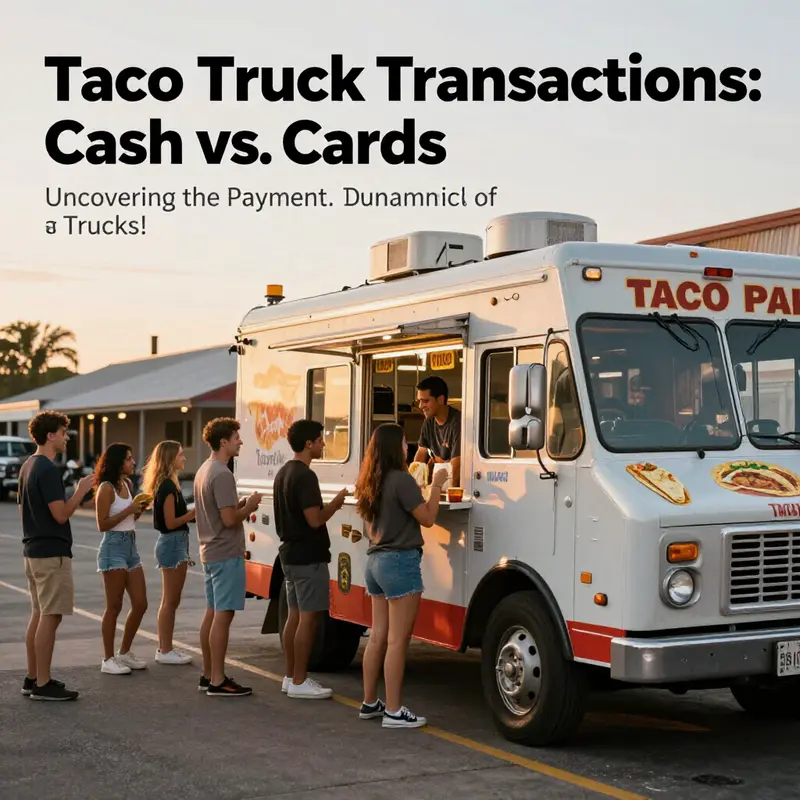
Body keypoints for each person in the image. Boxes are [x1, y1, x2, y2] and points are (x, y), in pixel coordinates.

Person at [354, 422, 448, 728]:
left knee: (378, 636)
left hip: (374, 563)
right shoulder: (402, 480)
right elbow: (429, 518)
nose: (408, 447)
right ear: (396, 447)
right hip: (400, 562)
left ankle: (370, 702)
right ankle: (394, 710)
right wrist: (437, 484)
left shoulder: (371, 479)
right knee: (397, 641)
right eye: (405, 442)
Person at [18, 411, 94, 701]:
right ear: (50, 435)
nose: (67, 437)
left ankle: (33, 676)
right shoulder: (48, 469)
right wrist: (80, 492)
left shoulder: (28, 466)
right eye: (63, 432)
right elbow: (61, 514)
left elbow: (22, 508)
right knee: (50, 616)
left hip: (33, 550)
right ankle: (43, 683)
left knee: (39, 614)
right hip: (51, 552)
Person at [273, 420, 348, 700]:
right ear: (308, 444)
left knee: (293, 616)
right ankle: (301, 681)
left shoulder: (283, 473)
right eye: (319, 440)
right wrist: (336, 503)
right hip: (309, 556)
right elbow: (314, 519)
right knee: (309, 619)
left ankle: (291, 677)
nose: (322, 444)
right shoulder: (305, 476)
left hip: (289, 555)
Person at [194, 417, 262, 697]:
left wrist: (240, 505)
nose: (241, 441)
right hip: (225, 552)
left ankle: (209, 673)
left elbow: (221, 511)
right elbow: (230, 518)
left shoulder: (204, 469)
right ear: (224, 442)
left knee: (212, 612)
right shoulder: (222, 473)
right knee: (224, 615)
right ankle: (218, 680)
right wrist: (251, 506)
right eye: (236, 437)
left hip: (210, 551)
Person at [94, 443, 150, 675]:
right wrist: (129, 511)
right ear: (118, 462)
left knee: (140, 603)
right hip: (113, 547)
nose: (133, 462)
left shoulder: (126, 484)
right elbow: (102, 524)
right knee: (114, 605)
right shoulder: (106, 488)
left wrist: (139, 509)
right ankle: (107, 659)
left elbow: (129, 519)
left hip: (130, 546)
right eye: (128, 459)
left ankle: (124, 652)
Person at [141, 440, 195, 666]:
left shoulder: (168, 484)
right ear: (170, 458)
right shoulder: (168, 487)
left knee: (170, 601)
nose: (184, 458)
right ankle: (165, 649)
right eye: (181, 455)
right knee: (170, 601)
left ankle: (165, 647)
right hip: (172, 543)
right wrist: (193, 513)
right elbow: (171, 522)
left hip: (174, 544)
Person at [413, 376, 462, 487]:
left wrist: (447, 494)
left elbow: (457, 466)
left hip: (456, 489)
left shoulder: (458, 423)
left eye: (425, 401)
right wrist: (413, 484)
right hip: (438, 485)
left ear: (440, 399)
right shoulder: (428, 422)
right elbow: (421, 452)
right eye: (419, 401)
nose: (421, 406)